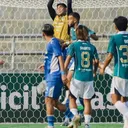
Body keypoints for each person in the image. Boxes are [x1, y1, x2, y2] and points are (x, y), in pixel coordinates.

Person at [65, 25, 99, 128]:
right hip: (89, 77)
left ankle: (76, 116)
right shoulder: (92, 47)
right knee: (87, 100)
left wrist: (64, 71)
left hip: (78, 76)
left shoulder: (74, 46)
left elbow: (68, 59)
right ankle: (87, 124)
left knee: (72, 97)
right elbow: (96, 61)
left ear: (76, 34)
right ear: (87, 34)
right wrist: (94, 71)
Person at [100, 16, 128, 128]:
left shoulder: (115, 38)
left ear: (115, 26)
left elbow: (110, 56)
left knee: (114, 98)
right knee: (124, 98)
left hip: (119, 72)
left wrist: (103, 67)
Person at [42, 24, 67, 128]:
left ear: (43, 34)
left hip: (54, 75)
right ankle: (73, 114)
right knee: (55, 102)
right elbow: (53, 58)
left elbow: (60, 57)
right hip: (52, 75)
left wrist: (63, 73)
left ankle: (50, 125)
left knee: (48, 100)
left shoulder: (53, 42)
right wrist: (44, 64)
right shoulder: (53, 42)